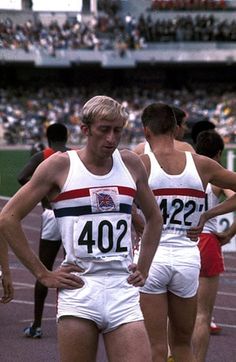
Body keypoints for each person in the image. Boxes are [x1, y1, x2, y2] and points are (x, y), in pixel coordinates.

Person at [0, 95, 163, 362]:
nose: (112, 138)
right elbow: (8, 217)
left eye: (118, 130)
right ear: (85, 129)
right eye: (104, 129)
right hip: (79, 290)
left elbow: (155, 218)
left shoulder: (130, 164)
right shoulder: (61, 166)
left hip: (122, 290)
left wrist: (143, 266)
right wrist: (42, 274)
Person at [135, 102, 236, 362]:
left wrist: (139, 223)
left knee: (155, 347)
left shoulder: (139, 164)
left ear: (146, 132)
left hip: (151, 259)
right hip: (187, 258)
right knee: (182, 346)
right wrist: (208, 214)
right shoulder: (201, 164)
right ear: (175, 128)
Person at [17, 122, 70, 338]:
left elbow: (22, 176)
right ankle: (73, 321)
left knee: (43, 269)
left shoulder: (44, 155)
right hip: (71, 216)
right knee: (73, 268)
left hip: (50, 216)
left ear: (48, 138)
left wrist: (43, 188)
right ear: (66, 138)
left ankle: (37, 325)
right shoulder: (74, 156)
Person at [191, 130, 234, 362]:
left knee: (170, 312)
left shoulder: (181, 170)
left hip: (180, 241)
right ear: (218, 154)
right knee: (202, 315)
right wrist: (229, 232)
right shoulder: (217, 177)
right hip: (206, 240)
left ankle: (168, 356)